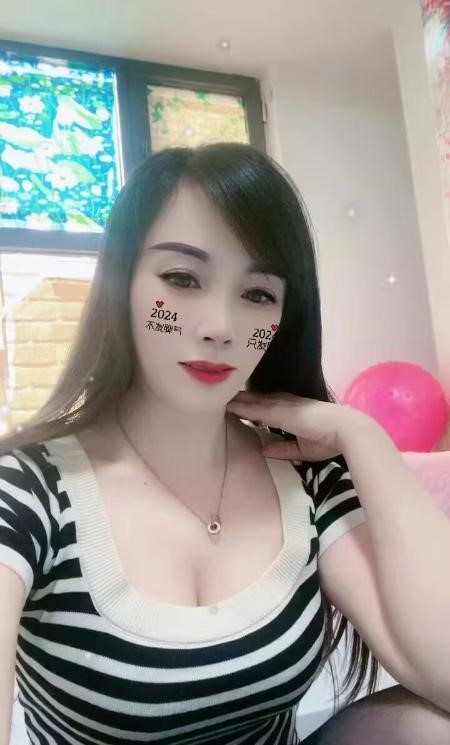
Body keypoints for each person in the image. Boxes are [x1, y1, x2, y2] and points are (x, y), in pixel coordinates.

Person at [0, 143, 449, 745]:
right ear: (121, 285)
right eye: (181, 278)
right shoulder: (27, 490)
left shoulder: (303, 474)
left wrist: (362, 436)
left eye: (257, 294)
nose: (219, 326)